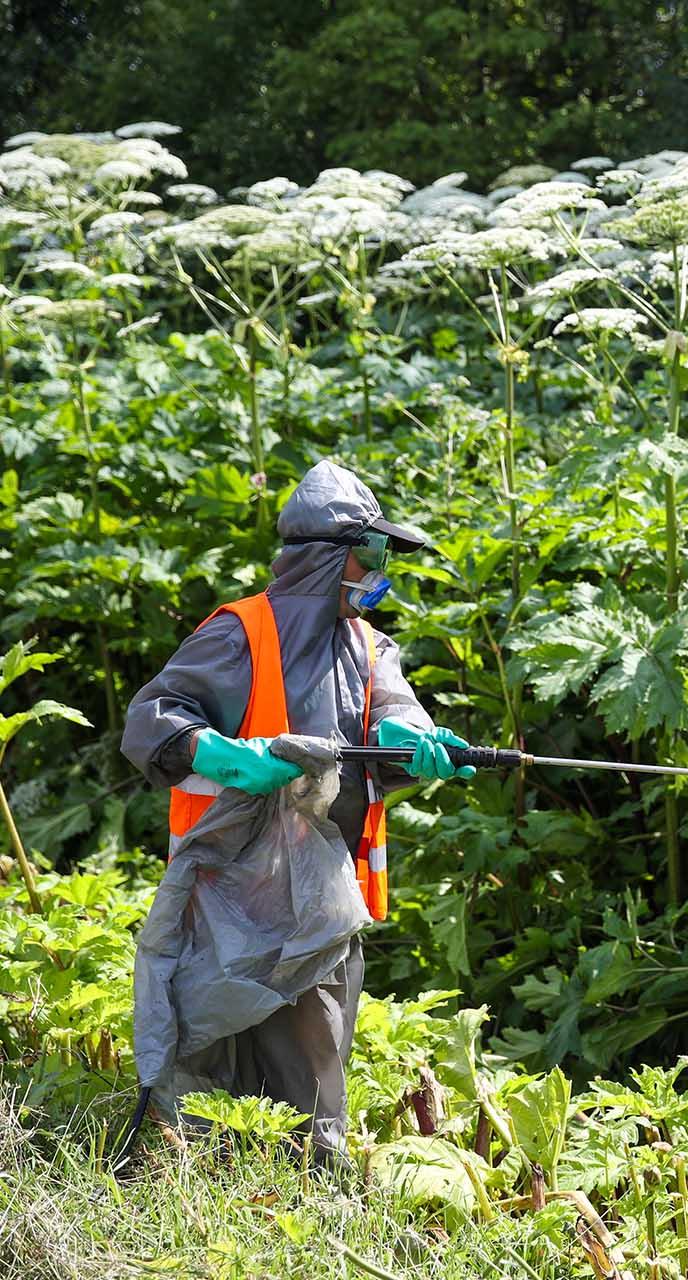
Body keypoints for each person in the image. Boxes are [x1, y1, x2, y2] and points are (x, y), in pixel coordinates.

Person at [121, 459, 473, 1159]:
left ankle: (282, 1191)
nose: (378, 571)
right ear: (324, 562)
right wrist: (229, 757)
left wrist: (418, 740)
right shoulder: (240, 634)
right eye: (368, 555)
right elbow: (151, 720)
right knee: (214, 1055)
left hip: (320, 903)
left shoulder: (370, 648)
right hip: (231, 898)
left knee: (313, 1062)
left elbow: (394, 715)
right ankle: (228, 1189)